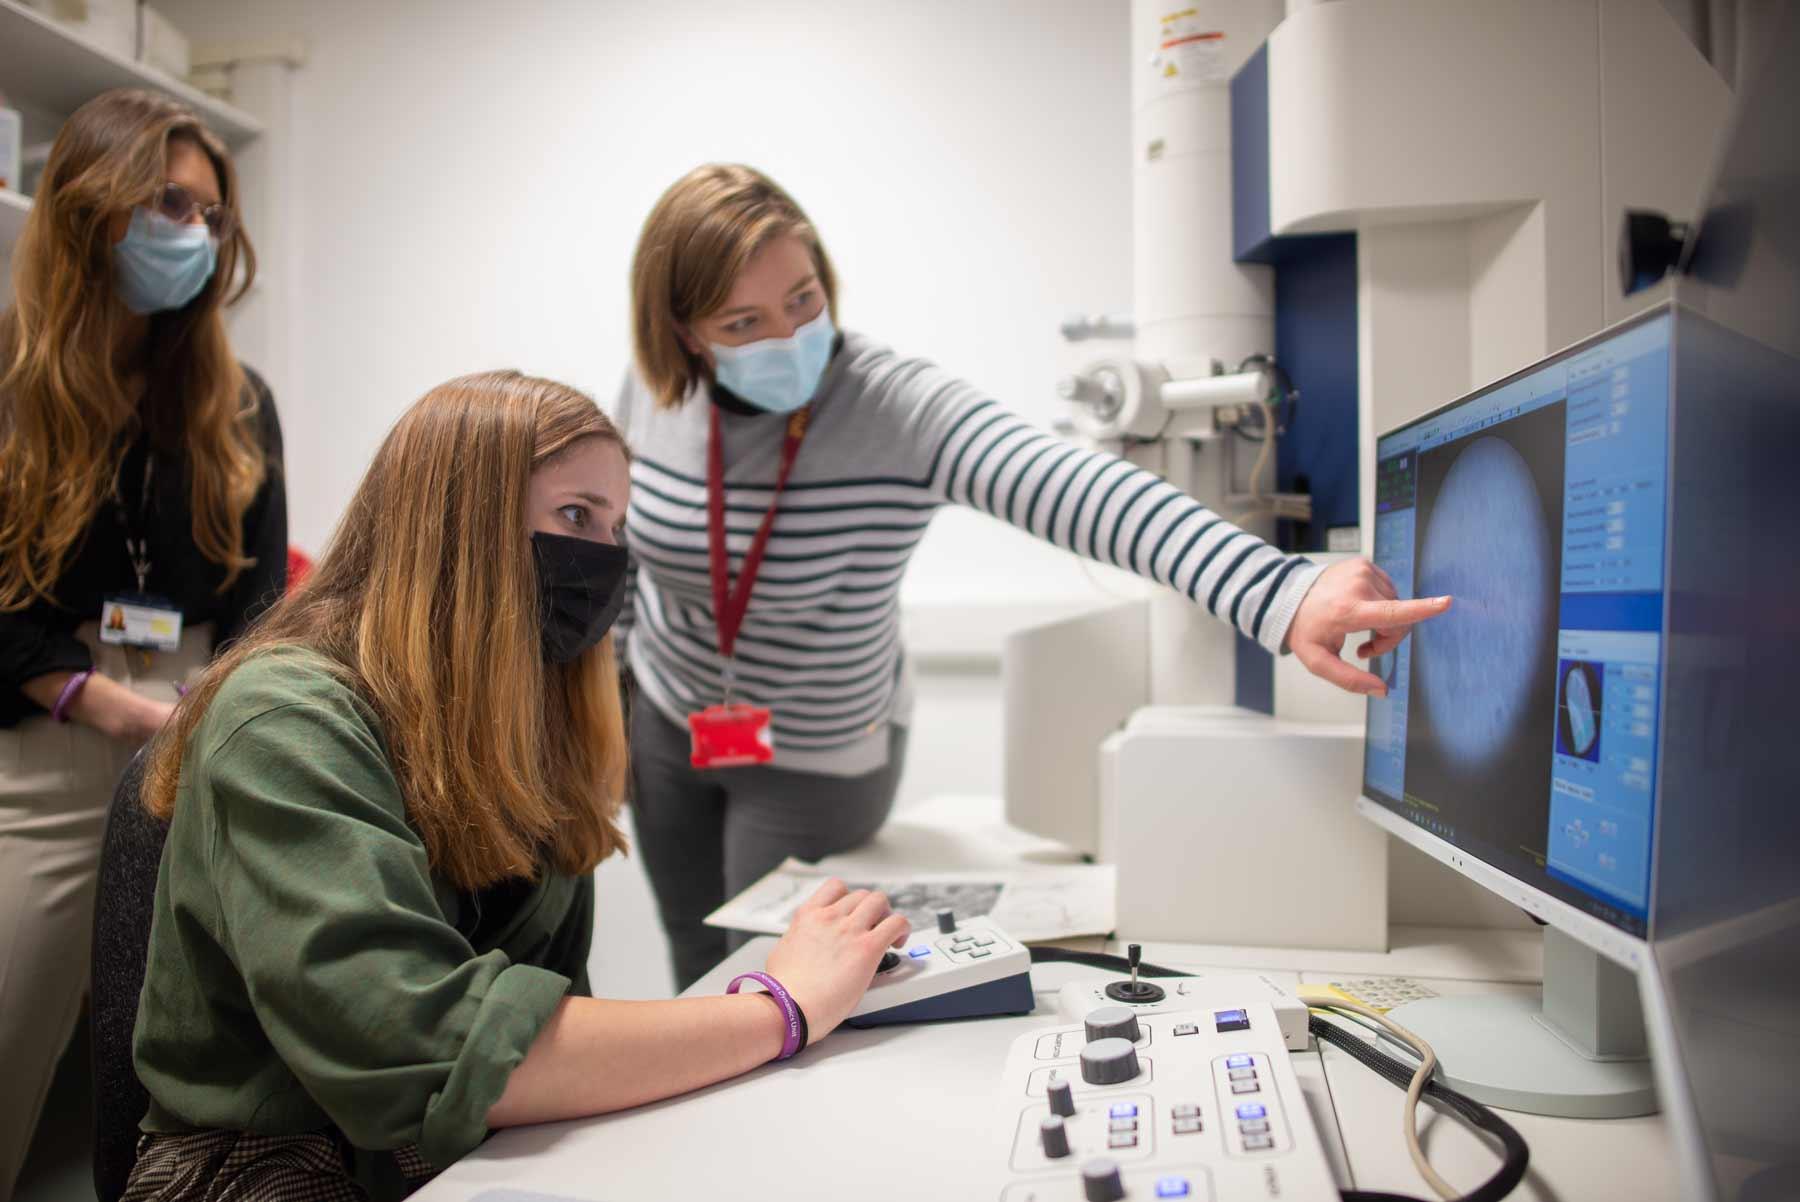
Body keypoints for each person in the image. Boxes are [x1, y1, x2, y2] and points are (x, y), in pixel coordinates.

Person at [615, 164, 1451, 989]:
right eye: (744, 322)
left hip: (815, 753)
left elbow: (1082, 492)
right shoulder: (655, 395)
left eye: (804, 300)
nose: (789, 338)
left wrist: (1280, 591)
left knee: (756, 982)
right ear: (686, 334)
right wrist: (600, 708)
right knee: (689, 957)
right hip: (663, 717)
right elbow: (623, 546)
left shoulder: (889, 406)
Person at [121, 371, 907, 1201]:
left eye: (616, 526)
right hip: (264, 1159)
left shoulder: (525, 723)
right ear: (462, 523)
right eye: (576, 516)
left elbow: (546, 1019)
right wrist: (779, 1008)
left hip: (459, 1146)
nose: (606, 556)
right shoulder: (283, 720)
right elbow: (412, 1048)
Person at [0, 88, 284, 1197]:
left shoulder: (234, 400)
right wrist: (107, 703)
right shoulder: (16, 390)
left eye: (209, 214)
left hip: (204, 730)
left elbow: (264, 591)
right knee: (17, 1027)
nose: (193, 233)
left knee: (181, 1059)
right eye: (167, 202)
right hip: (55, 742)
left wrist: (222, 699)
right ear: (90, 203)